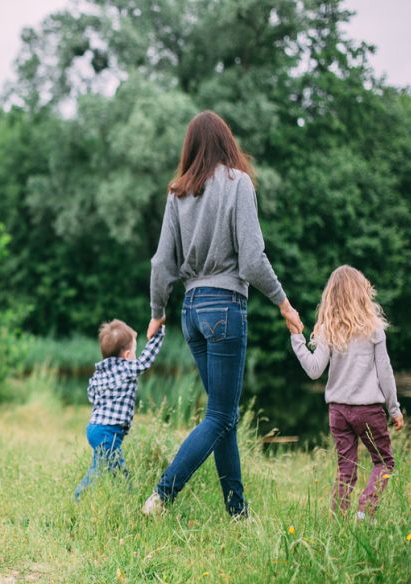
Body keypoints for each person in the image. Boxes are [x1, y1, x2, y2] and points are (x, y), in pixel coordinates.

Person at [143, 111, 303, 517]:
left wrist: (157, 311)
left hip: (192, 312)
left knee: (223, 413)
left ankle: (237, 513)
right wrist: (284, 303)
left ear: (191, 147)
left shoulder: (178, 192)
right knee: (219, 414)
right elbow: (251, 260)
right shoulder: (238, 183)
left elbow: (162, 262)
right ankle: (162, 495)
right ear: (226, 142)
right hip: (225, 306)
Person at [289, 265, 404, 518]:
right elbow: (385, 372)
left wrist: (297, 339)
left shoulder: (327, 329)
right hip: (368, 411)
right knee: (384, 462)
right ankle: (366, 509)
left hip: (338, 412)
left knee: (346, 469)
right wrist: (394, 409)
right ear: (362, 293)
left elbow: (314, 370)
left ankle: (339, 521)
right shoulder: (374, 329)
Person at [74, 319, 165, 500]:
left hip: (95, 428)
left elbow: (91, 395)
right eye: (134, 352)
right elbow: (146, 362)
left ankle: (121, 497)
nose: (135, 356)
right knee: (110, 470)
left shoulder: (99, 373)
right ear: (127, 354)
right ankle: (83, 498)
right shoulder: (126, 368)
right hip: (108, 431)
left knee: (104, 465)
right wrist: (159, 333)